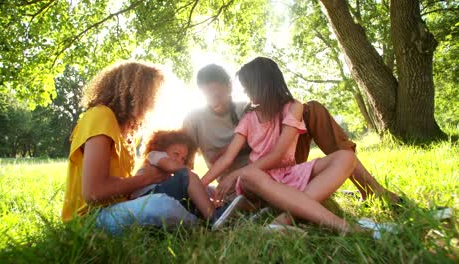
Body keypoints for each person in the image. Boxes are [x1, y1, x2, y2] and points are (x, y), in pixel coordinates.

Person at [183, 64, 400, 204]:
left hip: (278, 163)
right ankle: (305, 200)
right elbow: (185, 163)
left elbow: (283, 121)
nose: (214, 98)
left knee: (312, 109)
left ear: (230, 86)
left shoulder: (248, 107)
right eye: (208, 93)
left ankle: (369, 187)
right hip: (244, 180)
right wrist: (193, 190)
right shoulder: (193, 120)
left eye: (218, 92)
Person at [200, 57, 362, 232]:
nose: (246, 92)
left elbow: (279, 155)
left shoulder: (293, 107)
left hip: (287, 174)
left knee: (346, 157)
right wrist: (200, 184)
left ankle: (285, 217)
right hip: (256, 180)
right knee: (250, 175)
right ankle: (343, 226)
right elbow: (227, 158)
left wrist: (235, 174)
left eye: (248, 87)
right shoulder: (248, 118)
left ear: (262, 84)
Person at [61, 61, 197, 234]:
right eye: (152, 94)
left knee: (187, 184)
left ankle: (220, 207)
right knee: (161, 205)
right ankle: (202, 226)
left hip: (120, 208)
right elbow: (94, 193)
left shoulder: (128, 134)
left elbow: (124, 187)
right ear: (134, 92)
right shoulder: (100, 115)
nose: (154, 103)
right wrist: (148, 179)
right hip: (90, 220)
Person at [130, 130, 215, 220]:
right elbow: (171, 166)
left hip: (158, 194)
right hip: (146, 197)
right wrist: (190, 174)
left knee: (203, 190)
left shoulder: (171, 174)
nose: (179, 160)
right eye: (176, 154)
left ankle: (216, 209)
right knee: (188, 177)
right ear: (162, 148)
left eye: (183, 158)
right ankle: (213, 217)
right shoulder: (155, 155)